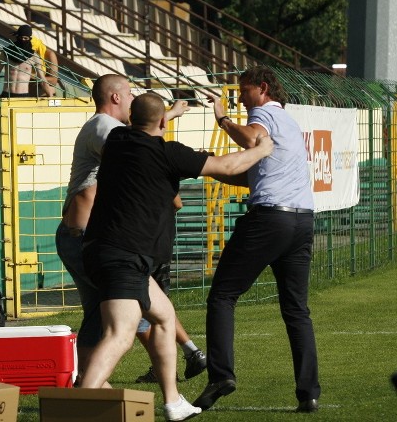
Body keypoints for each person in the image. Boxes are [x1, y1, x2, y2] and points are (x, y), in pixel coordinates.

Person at [79, 92, 274, 421]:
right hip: (125, 254)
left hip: (102, 250)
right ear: (164, 122)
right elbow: (227, 165)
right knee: (121, 333)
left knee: (165, 317)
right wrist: (262, 150)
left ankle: (173, 402)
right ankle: (80, 405)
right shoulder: (168, 154)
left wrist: (167, 113)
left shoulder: (116, 139)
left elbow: (145, 121)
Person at [56, 74, 205, 381]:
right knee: (125, 312)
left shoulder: (112, 130)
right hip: (88, 237)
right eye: (129, 93)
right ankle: (92, 385)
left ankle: (174, 364)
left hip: (92, 236)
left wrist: (166, 116)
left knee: (118, 311)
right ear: (115, 98)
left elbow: (141, 140)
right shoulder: (105, 129)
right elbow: (141, 155)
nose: (133, 98)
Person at [193, 66, 320, 413]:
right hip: (302, 220)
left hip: (269, 218)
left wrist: (223, 119)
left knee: (222, 295)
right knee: (297, 310)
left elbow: (250, 140)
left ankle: (221, 375)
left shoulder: (261, 114)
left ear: (263, 89)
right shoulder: (290, 123)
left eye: (243, 91)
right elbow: (257, 173)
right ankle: (308, 392)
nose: (240, 98)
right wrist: (218, 168)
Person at [0, 25, 55, 98]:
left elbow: (42, 79)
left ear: (29, 38)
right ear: (17, 37)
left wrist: (50, 97)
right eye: (21, 37)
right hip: (7, 95)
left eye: (25, 38)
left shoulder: (34, 57)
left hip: (23, 96)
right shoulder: (7, 53)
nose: (23, 40)